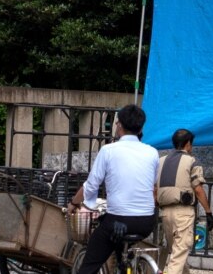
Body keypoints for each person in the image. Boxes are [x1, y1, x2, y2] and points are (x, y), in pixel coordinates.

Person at [65, 105, 159, 274]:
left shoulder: (108, 150)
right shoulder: (152, 153)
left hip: (119, 220)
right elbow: (152, 188)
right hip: (147, 221)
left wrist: (72, 204)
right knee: (119, 244)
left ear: (119, 125)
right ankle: (125, 266)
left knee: (91, 261)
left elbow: (91, 185)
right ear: (141, 128)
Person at [156, 128, 213, 274]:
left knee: (177, 255)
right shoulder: (191, 161)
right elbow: (198, 189)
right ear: (188, 144)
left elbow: (154, 190)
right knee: (178, 256)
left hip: (165, 213)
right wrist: (208, 212)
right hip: (183, 213)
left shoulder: (161, 161)